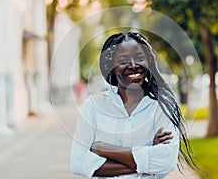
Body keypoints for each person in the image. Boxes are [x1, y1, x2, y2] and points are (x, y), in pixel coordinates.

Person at [71, 32, 196, 178]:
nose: (133, 65)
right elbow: (78, 163)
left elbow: (167, 161)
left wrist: (104, 149)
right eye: (123, 61)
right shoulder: (93, 106)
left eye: (140, 58)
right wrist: (147, 156)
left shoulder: (162, 107)